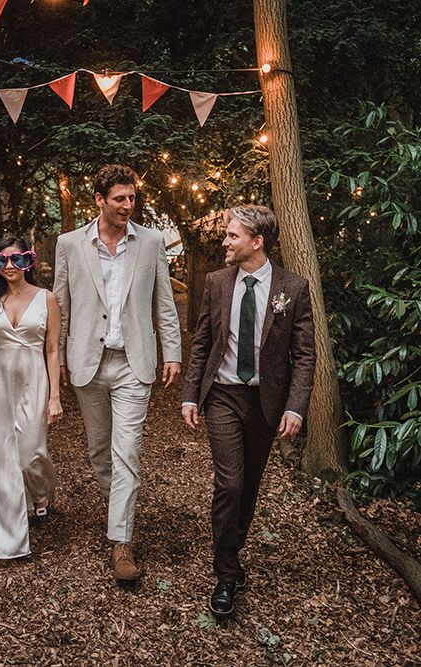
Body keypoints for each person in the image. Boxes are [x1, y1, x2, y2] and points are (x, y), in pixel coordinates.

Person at [181, 205, 315, 617]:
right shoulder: (217, 282)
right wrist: (190, 395)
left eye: (233, 236)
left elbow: (305, 355)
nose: (225, 241)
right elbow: (203, 341)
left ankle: (231, 556)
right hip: (222, 395)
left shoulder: (293, 287)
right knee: (230, 485)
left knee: (250, 486)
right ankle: (225, 574)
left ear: (257, 242)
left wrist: (295, 406)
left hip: (265, 403)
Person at [53, 164, 182, 581]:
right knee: (98, 452)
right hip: (87, 364)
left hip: (133, 362)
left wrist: (172, 353)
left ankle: (121, 542)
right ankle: (120, 514)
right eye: (120, 199)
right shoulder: (69, 244)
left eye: (132, 198)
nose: (129, 205)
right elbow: (62, 307)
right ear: (100, 201)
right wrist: (55, 361)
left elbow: (164, 302)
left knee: (127, 452)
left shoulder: (151, 242)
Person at [0, 237, 63, 559]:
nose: (9, 266)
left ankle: (42, 495)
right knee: (1, 456)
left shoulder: (47, 298)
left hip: (34, 379)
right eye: (2, 261)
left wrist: (55, 396)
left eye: (17, 260)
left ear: (28, 262)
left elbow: (52, 349)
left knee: (32, 451)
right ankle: (5, 525)